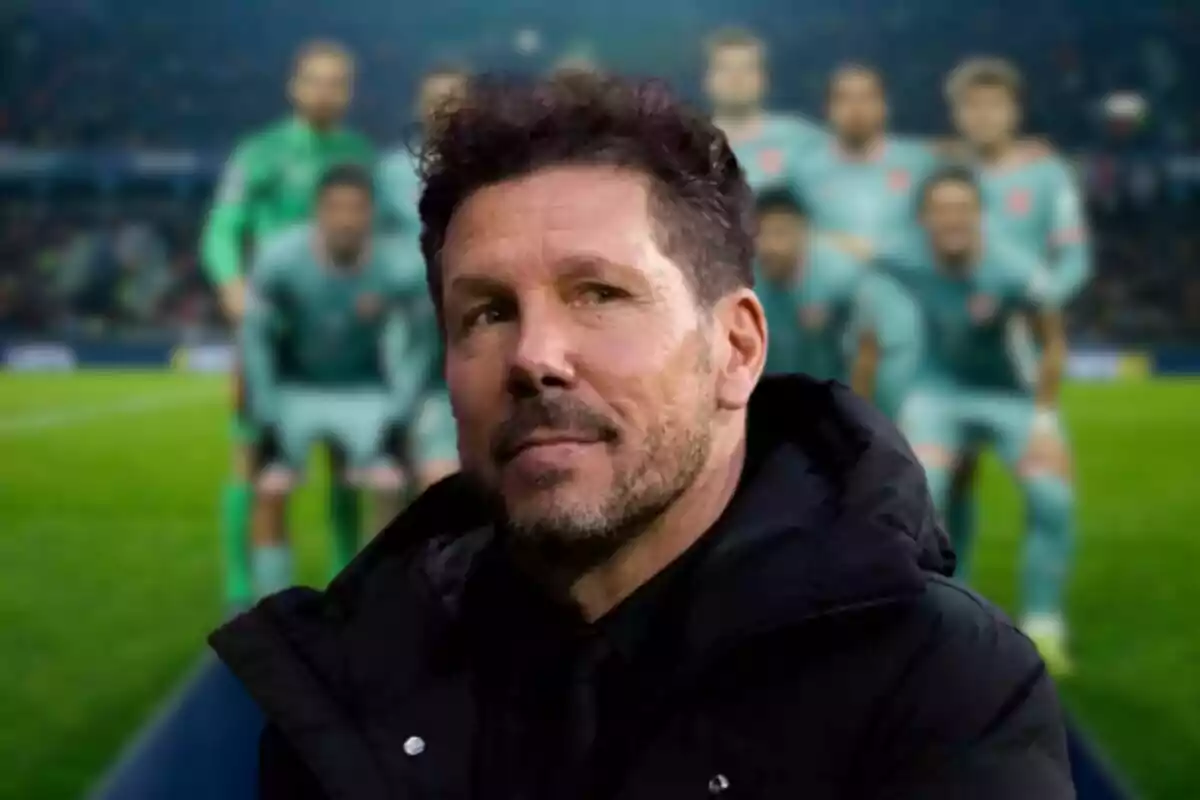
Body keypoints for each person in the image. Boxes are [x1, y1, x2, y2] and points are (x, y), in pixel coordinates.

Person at [212, 74, 1073, 800]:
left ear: (736, 349)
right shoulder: (344, 687)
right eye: (487, 311)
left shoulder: (941, 686)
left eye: (599, 294)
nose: (533, 358)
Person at [851, 165, 1076, 678]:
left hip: (1011, 399)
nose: (953, 220)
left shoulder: (1016, 268)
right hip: (937, 393)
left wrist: (1044, 419)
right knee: (925, 489)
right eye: (941, 210)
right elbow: (865, 323)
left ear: (980, 215)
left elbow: (1053, 342)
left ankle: (1044, 622)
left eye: (963, 209)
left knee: (1051, 495)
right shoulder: (899, 259)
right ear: (924, 219)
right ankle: (941, 616)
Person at [201, 40, 375, 610]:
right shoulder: (260, 153)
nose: (328, 91)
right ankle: (241, 585)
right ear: (294, 86)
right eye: (317, 80)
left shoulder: (359, 155)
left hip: (345, 333)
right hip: (272, 330)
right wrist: (231, 285)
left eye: (339, 81)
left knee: (347, 460)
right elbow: (222, 227)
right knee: (251, 457)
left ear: (350, 91)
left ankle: (344, 581)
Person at [943, 58, 1089, 671]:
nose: (984, 116)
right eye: (973, 106)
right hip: (941, 354)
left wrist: (1036, 296)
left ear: (1014, 110)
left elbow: (1073, 257)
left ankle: (1045, 622)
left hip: (1019, 357)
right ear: (958, 114)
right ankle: (952, 611)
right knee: (946, 487)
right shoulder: (940, 174)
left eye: (995, 104)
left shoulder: (1047, 174)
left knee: (1050, 493)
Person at [239, 164, 430, 597]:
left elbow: (418, 348)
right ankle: (273, 609)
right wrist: (266, 416)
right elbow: (257, 341)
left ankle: (374, 606)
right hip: (295, 389)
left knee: (389, 486)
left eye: (356, 209)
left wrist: (399, 417)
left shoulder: (399, 267)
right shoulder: (280, 259)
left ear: (371, 214)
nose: (345, 218)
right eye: (335, 208)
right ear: (317, 212)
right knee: (269, 487)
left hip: (366, 390)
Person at [792, 64, 933, 420]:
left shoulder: (919, 165)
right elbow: (785, 233)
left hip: (910, 317)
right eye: (845, 99)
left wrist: (875, 251)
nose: (856, 108)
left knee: (916, 429)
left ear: (884, 106)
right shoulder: (804, 171)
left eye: (867, 98)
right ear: (828, 109)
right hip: (828, 326)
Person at [377, 65, 471, 492]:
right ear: (419, 106)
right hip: (408, 320)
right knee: (396, 446)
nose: (443, 109)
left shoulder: (487, 170)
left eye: (453, 99)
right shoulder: (390, 172)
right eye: (435, 99)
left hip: (467, 316)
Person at [753, 188, 868, 382]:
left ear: (803, 233)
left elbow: (867, 352)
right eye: (759, 233)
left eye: (780, 233)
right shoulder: (740, 283)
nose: (768, 246)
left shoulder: (840, 281)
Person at [703, 28, 825, 194]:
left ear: (765, 78)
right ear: (708, 79)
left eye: (747, 69)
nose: (736, 78)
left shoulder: (803, 140)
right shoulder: (683, 146)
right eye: (725, 69)